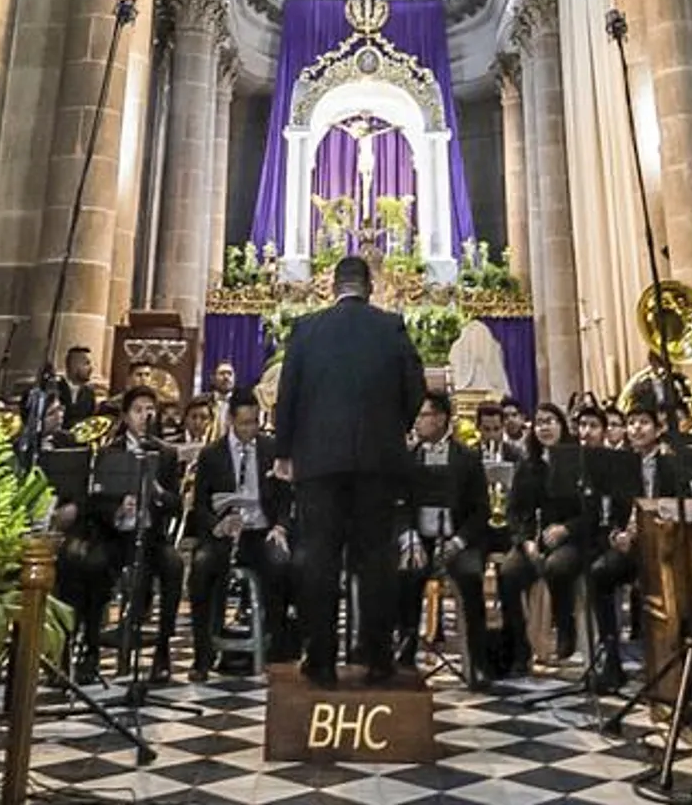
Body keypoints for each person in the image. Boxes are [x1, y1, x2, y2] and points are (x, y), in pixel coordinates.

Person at [274, 254, 425, 687]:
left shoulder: (306, 329)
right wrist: (393, 428)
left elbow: (288, 394)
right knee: (375, 559)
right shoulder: (390, 327)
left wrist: (286, 452)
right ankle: (377, 658)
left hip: (318, 462)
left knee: (319, 558)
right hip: (378, 461)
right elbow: (415, 389)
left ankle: (320, 659)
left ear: (331, 286)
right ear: (369, 287)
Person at [71, 385, 183, 684]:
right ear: (125, 416)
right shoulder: (110, 452)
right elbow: (96, 503)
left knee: (173, 565)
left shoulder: (166, 453)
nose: (145, 416)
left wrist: (158, 494)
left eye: (150, 410)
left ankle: (162, 650)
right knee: (93, 565)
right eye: (138, 410)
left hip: (151, 536)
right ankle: (90, 648)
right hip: (117, 535)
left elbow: (177, 504)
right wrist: (119, 509)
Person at [187, 388, 293, 680]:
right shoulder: (212, 454)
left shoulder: (271, 449)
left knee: (281, 563)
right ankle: (202, 654)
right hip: (225, 533)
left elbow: (285, 497)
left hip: (261, 531)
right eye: (244, 423)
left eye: (255, 422)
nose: (250, 429)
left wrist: (280, 526)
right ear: (231, 420)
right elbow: (199, 505)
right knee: (202, 567)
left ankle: (276, 647)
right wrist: (216, 525)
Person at [396, 392, 492, 687]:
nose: (417, 422)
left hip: (458, 539)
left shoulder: (467, 459)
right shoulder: (408, 459)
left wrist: (458, 542)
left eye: (423, 416)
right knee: (404, 574)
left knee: (470, 577)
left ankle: (477, 661)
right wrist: (409, 538)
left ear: (440, 418)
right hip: (420, 539)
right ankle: (405, 652)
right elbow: (399, 506)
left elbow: (481, 510)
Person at [589, 401, 679, 690]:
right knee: (600, 572)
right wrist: (616, 535)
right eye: (631, 423)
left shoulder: (671, 464)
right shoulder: (620, 464)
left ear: (658, 428)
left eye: (643, 422)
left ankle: (667, 659)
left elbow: (680, 505)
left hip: (665, 545)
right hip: (632, 546)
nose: (636, 428)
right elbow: (611, 511)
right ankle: (611, 657)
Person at [498, 402, 585, 673]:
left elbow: (590, 511)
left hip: (570, 537)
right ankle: (519, 647)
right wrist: (525, 541)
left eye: (550, 421)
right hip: (533, 538)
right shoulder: (528, 465)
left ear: (562, 425)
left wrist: (565, 529)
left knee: (557, 567)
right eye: (539, 423)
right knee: (509, 573)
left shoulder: (579, 461)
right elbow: (514, 511)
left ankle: (565, 629)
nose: (544, 427)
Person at [57, 345, 96, 427]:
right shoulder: (54, 389)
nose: (91, 368)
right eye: (87, 363)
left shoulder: (89, 393)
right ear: (73, 365)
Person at [208, 360, 237, 435]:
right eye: (222, 373)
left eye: (230, 374)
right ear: (213, 378)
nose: (226, 377)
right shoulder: (204, 402)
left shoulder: (241, 402)